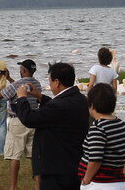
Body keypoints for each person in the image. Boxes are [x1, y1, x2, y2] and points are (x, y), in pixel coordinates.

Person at [14, 62, 89, 190]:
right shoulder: (81, 99)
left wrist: (21, 98)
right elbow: (59, 111)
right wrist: (41, 97)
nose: (49, 84)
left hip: (57, 169)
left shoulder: (58, 105)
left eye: (50, 81)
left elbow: (29, 119)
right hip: (75, 163)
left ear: (57, 82)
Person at [78, 83, 125, 189]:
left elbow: (95, 159)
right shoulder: (120, 124)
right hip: (119, 183)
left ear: (92, 106)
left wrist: (86, 180)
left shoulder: (98, 128)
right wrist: (118, 164)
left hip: (99, 183)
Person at [0, 59, 42, 190]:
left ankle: (13, 186)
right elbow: (18, 87)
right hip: (33, 121)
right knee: (34, 155)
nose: (19, 70)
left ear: (24, 70)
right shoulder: (37, 84)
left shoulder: (16, 84)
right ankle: (38, 185)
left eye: (21, 68)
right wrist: (9, 78)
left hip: (18, 121)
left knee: (14, 155)